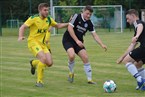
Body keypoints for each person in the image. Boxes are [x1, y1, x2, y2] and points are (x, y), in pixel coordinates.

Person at [18, 3, 68, 87]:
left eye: (47, 10)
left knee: (49, 63)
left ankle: (34, 63)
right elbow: (22, 27)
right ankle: (39, 81)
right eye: (45, 10)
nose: (47, 12)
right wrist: (20, 36)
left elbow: (58, 25)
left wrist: (69, 24)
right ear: (40, 10)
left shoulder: (48, 19)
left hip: (43, 44)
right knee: (43, 59)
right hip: (33, 42)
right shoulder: (33, 18)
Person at [62, 5, 107, 84]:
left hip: (78, 42)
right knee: (72, 55)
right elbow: (69, 28)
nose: (88, 16)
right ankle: (71, 73)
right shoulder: (76, 16)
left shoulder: (89, 23)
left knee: (85, 57)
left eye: (90, 14)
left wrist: (101, 44)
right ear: (83, 11)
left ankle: (89, 80)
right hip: (68, 40)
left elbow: (94, 35)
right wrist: (77, 40)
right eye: (87, 13)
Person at [117, 9, 145, 90]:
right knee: (137, 64)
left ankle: (140, 80)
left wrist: (136, 36)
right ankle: (143, 85)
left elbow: (140, 26)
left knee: (127, 61)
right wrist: (122, 57)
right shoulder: (136, 28)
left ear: (133, 16)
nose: (127, 20)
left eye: (128, 18)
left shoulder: (138, 23)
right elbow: (132, 45)